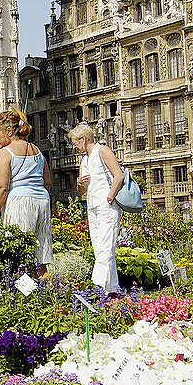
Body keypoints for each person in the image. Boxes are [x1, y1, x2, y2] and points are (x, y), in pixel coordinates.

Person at [0, 108, 52, 277]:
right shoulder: (36, 149)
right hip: (42, 201)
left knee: (19, 254)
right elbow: (46, 181)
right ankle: (46, 292)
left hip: (20, 203)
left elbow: (2, 188)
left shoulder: (5, 152)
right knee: (41, 254)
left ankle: (24, 296)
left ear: (9, 131)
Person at [69, 123, 124, 293]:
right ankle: (112, 288)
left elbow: (119, 175)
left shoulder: (103, 151)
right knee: (100, 248)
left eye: (75, 142)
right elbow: (81, 190)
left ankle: (96, 288)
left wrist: (110, 196)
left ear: (83, 139)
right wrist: (80, 184)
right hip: (92, 206)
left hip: (107, 205)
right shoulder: (84, 160)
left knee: (106, 247)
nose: (74, 146)